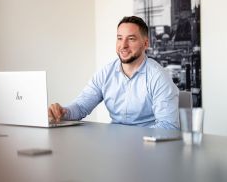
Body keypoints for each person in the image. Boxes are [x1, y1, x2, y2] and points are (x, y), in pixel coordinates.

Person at [48, 16, 179, 129]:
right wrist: (63, 112)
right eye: (120, 38)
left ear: (145, 44)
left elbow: (168, 126)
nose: (123, 45)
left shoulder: (158, 76)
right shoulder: (105, 73)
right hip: (115, 145)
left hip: (148, 148)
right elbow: (81, 106)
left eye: (131, 39)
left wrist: (133, 141)